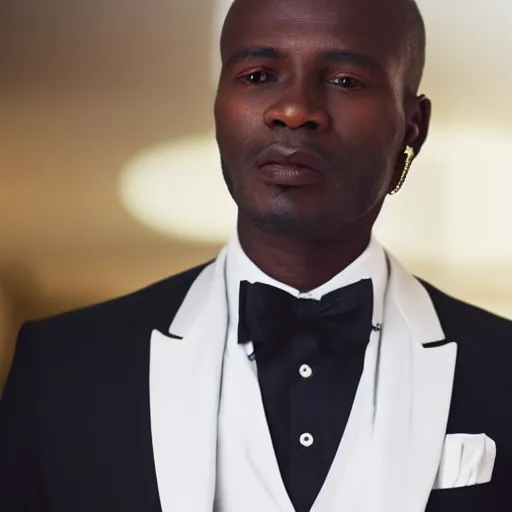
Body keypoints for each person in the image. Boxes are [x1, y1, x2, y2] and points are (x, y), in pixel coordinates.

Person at [1, 0, 511, 510]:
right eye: (259, 74)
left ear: (412, 127)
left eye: (346, 81)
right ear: (218, 103)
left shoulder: (502, 369)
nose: (293, 110)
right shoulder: (63, 368)